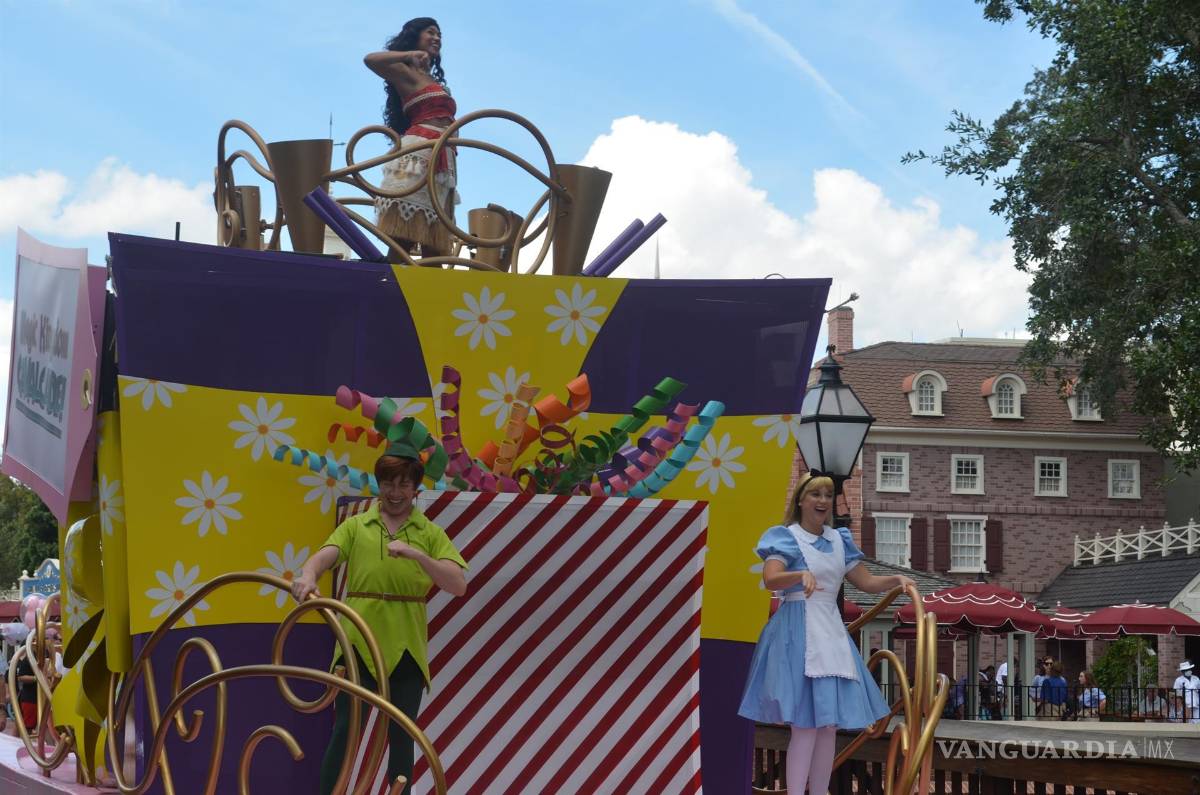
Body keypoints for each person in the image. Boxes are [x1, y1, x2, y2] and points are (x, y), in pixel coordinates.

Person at [291, 447, 469, 795]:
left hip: (406, 645)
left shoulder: (428, 533)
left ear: (415, 488)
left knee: (402, 734)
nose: (395, 492)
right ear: (379, 484)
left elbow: (457, 584)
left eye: (403, 484)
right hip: (357, 639)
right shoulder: (358, 526)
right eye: (388, 483)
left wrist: (418, 555)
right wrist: (308, 574)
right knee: (345, 730)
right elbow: (325, 556)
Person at [738, 472, 914, 795]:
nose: (822, 501)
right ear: (801, 500)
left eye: (827, 495)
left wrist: (895, 581)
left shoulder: (839, 540)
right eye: (815, 494)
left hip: (831, 634)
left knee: (828, 727)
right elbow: (770, 578)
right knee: (805, 726)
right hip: (797, 632)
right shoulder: (786, 537)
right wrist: (798, 575)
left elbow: (866, 582)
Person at [365, 17, 460, 258]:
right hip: (418, 155)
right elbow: (370, 60)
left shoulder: (435, 81)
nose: (437, 38)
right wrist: (408, 55)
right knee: (403, 240)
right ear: (415, 36)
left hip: (443, 160)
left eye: (440, 35)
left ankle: (431, 294)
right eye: (431, 32)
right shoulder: (404, 71)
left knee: (435, 245)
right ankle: (387, 289)